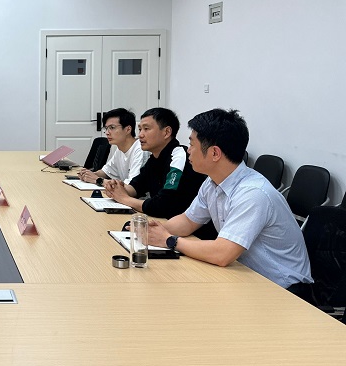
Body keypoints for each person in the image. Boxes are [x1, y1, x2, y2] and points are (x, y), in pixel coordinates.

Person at [145, 109, 312, 290]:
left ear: (215, 153)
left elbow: (222, 254)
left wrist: (169, 240)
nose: (188, 151)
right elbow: (187, 221)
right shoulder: (212, 182)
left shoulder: (253, 193)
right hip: (244, 274)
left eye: (192, 144)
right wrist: (148, 230)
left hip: (284, 288)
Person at [104, 107, 207, 220]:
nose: (140, 135)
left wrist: (125, 199)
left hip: (186, 226)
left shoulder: (179, 156)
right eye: (140, 129)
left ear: (166, 132)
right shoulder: (154, 158)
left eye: (146, 129)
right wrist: (117, 188)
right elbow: (136, 187)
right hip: (164, 221)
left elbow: (163, 205)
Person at [77, 108, 144, 185]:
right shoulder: (120, 149)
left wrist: (98, 180)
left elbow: (132, 185)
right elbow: (106, 172)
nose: (107, 133)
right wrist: (89, 174)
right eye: (106, 128)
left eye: (112, 127)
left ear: (128, 129)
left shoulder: (140, 150)